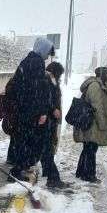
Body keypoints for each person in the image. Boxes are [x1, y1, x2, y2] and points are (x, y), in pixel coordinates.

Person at [7, 37, 54, 182]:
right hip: (30, 111)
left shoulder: (27, 61)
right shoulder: (36, 63)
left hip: (23, 109)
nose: (48, 56)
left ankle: (21, 167)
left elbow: (20, 87)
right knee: (29, 141)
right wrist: (42, 112)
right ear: (42, 49)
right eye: (47, 52)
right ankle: (17, 170)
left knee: (24, 139)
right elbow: (38, 91)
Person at [74, 67, 107, 183]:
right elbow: (97, 106)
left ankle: (81, 172)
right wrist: (102, 124)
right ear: (103, 77)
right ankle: (89, 175)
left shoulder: (94, 84)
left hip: (91, 122)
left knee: (88, 148)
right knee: (91, 148)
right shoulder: (95, 86)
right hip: (93, 123)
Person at [40, 61, 70, 189]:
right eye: (59, 75)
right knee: (46, 149)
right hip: (46, 120)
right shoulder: (47, 81)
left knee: (46, 149)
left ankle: (50, 175)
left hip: (50, 121)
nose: (60, 77)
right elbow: (45, 99)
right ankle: (53, 178)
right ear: (55, 73)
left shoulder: (51, 81)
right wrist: (53, 109)